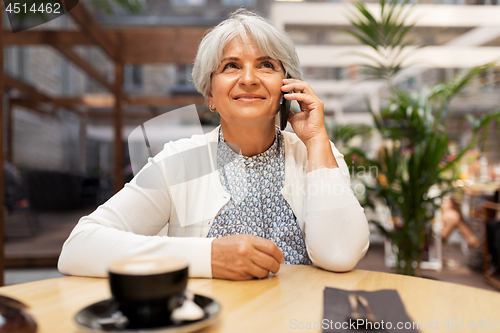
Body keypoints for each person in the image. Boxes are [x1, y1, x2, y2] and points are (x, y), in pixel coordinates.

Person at [58, 9, 370, 280]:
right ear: (210, 95)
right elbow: (78, 248)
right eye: (231, 66)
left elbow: (340, 255)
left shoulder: (318, 155)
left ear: (287, 88)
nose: (248, 78)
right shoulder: (177, 162)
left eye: (266, 65)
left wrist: (317, 139)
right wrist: (207, 257)